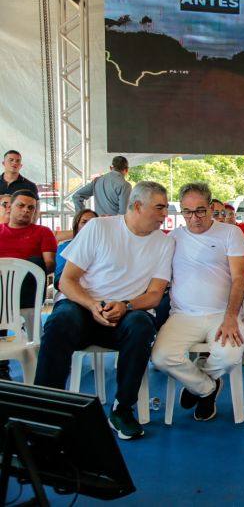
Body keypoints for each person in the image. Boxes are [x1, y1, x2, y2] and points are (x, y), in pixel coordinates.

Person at [34, 181, 175, 440]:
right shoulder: (99, 227)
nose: (165, 214)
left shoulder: (164, 243)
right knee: (60, 321)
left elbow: (155, 295)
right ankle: (46, 408)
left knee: (142, 325)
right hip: (83, 307)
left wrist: (126, 305)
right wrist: (91, 305)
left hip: (125, 313)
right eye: (160, 207)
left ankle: (122, 409)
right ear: (137, 206)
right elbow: (66, 280)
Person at [151, 183, 244, 421]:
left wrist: (230, 317)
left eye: (200, 210)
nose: (194, 217)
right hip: (183, 315)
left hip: (222, 314)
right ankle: (206, 388)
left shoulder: (230, 233)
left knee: (229, 356)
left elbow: (240, 277)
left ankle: (197, 383)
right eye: (187, 211)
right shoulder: (173, 238)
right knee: (161, 357)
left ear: (211, 208)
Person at [0, 189, 58, 380]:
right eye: (21, 205)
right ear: (10, 207)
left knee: (35, 262)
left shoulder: (43, 232)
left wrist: (18, 270)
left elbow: (49, 264)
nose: (26, 210)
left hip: (28, 292)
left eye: (30, 208)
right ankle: (2, 366)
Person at [54, 209, 98, 290]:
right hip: (72, 292)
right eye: (84, 222)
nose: (89, 226)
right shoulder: (65, 247)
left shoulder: (104, 247)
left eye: (93, 223)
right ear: (76, 226)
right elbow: (59, 281)